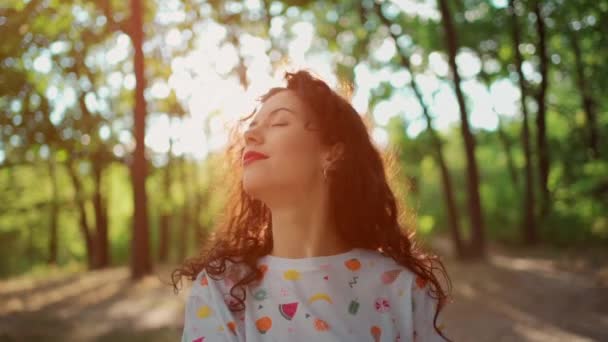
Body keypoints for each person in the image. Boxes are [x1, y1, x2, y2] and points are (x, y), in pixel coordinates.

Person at [173, 69, 452, 341]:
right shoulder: (223, 290)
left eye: (279, 122)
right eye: (252, 127)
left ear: (332, 153)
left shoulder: (401, 289)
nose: (250, 136)